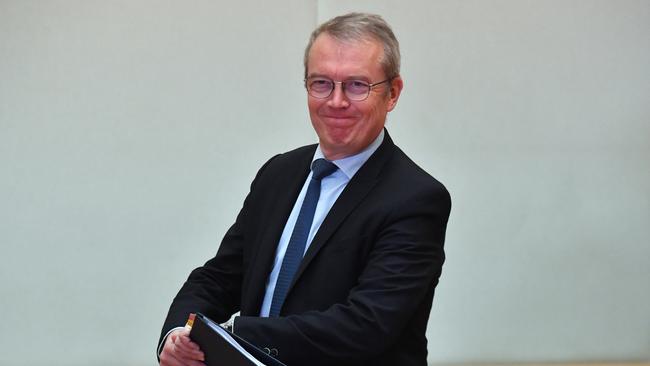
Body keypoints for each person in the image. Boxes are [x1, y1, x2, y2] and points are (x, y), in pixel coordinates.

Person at [158, 12, 451, 366]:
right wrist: (179, 333)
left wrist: (234, 335)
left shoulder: (415, 199)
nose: (336, 101)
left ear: (392, 93)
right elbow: (221, 276)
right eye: (321, 83)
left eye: (357, 85)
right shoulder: (278, 174)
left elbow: (366, 325)